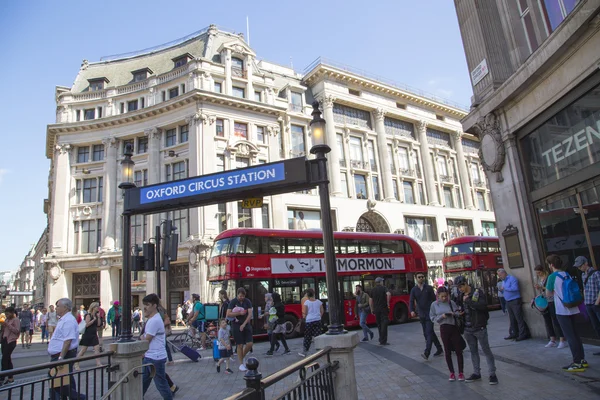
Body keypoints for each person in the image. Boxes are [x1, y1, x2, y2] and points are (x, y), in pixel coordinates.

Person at [546, 254, 588, 372]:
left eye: (549, 264)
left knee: (570, 336)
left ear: (552, 265)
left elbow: (548, 294)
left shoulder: (552, 277)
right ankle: (582, 359)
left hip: (562, 309)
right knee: (575, 335)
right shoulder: (566, 274)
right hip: (573, 307)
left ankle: (577, 362)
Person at [455, 275, 498, 385]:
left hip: (479, 327)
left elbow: (483, 306)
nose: (460, 289)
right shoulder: (461, 295)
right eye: (458, 288)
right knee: (473, 351)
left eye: (461, 287)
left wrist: (468, 301)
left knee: (486, 350)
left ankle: (492, 374)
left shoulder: (477, 292)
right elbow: (460, 307)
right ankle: (476, 373)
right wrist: (460, 313)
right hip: (467, 328)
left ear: (465, 284)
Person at [48, 298, 85, 400]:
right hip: (60, 354)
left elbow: (67, 341)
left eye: (58, 306)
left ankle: (79, 398)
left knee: (57, 381)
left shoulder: (68, 320)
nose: (56, 308)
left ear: (65, 307)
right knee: (65, 380)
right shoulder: (63, 319)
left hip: (63, 355)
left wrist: (61, 357)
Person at [140, 294, 173, 400]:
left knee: (161, 384)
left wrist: (142, 337)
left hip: (155, 357)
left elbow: (146, 340)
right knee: (144, 381)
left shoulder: (154, 320)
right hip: (152, 356)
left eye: (147, 305)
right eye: (144, 304)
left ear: (154, 305)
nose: (145, 307)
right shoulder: (153, 318)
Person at [430, 287, 465, 382]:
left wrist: (455, 313)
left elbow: (457, 312)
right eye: (442, 297)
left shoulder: (451, 302)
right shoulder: (434, 304)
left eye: (446, 296)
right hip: (443, 328)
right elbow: (432, 317)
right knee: (447, 351)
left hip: (453, 327)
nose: (444, 298)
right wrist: (442, 316)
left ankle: (461, 372)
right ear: (438, 296)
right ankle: (452, 372)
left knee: (458, 350)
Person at [409, 273, 443, 360]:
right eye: (419, 277)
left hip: (430, 314)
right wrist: (412, 310)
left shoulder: (429, 288)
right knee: (428, 333)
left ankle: (427, 352)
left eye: (422, 277)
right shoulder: (414, 290)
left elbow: (434, 300)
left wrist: (436, 310)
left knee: (428, 333)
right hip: (421, 314)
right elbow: (411, 300)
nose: (421, 278)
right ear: (416, 278)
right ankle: (439, 348)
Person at [534, 264, 567, 348]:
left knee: (555, 320)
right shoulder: (539, 278)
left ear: (542, 271)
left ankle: (562, 339)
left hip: (552, 300)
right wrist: (539, 288)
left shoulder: (549, 277)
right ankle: (552, 339)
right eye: (537, 273)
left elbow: (552, 288)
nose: (538, 274)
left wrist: (542, 287)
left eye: (539, 273)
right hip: (544, 301)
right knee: (547, 321)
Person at [574, 256, 600, 356]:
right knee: (596, 327)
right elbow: (584, 288)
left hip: (595, 304)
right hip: (588, 303)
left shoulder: (596, 273)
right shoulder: (583, 275)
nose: (579, 268)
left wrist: (597, 303)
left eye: (580, 266)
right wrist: (585, 301)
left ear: (585, 263)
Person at [498, 268, 529, 341]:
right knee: (512, 319)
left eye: (500, 275)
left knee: (519, 318)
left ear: (504, 273)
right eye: (499, 275)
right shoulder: (503, 281)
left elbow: (515, 288)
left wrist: (505, 288)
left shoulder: (512, 279)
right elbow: (505, 290)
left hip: (515, 300)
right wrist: (502, 291)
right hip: (508, 301)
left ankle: (522, 334)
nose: (499, 277)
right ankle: (514, 333)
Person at [227, 287, 254, 371]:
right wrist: (239, 313)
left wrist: (244, 324)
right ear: (237, 295)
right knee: (240, 344)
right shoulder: (233, 302)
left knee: (250, 343)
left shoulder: (248, 301)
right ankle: (241, 363)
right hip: (236, 325)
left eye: (243, 296)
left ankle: (242, 356)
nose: (241, 298)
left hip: (246, 324)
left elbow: (250, 314)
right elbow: (228, 314)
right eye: (240, 296)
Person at [76, 302, 102, 368]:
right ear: (93, 307)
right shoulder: (88, 315)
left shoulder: (96, 315)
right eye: (97, 307)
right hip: (87, 334)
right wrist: (93, 320)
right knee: (83, 350)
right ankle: (76, 362)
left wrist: (98, 318)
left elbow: (98, 324)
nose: (98, 308)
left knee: (97, 349)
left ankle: (98, 363)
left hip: (94, 334)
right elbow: (86, 325)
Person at [299, 288, 323, 357]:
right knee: (318, 336)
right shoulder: (319, 302)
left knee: (307, 336)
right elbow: (322, 311)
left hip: (309, 321)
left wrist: (305, 317)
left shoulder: (306, 302)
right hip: (317, 320)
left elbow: (305, 312)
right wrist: (319, 316)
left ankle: (305, 351)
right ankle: (320, 350)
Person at [0, 306, 20, 386]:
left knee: (4, 359)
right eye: (6, 314)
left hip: (11, 341)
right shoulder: (7, 320)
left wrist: (7, 325)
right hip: (5, 340)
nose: (7, 315)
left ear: (12, 313)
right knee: (7, 359)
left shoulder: (16, 320)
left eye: (8, 314)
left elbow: (17, 331)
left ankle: (2, 377)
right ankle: (10, 377)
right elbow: (3, 330)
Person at [369, 277, 390, 345]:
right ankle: (383, 340)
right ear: (380, 282)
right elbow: (389, 294)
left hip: (376, 309)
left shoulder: (373, 289)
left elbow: (370, 300)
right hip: (383, 309)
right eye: (382, 281)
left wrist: (372, 309)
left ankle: (381, 339)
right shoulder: (384, 288)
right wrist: (388, 303)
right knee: (384, 324)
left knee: (379, 324)